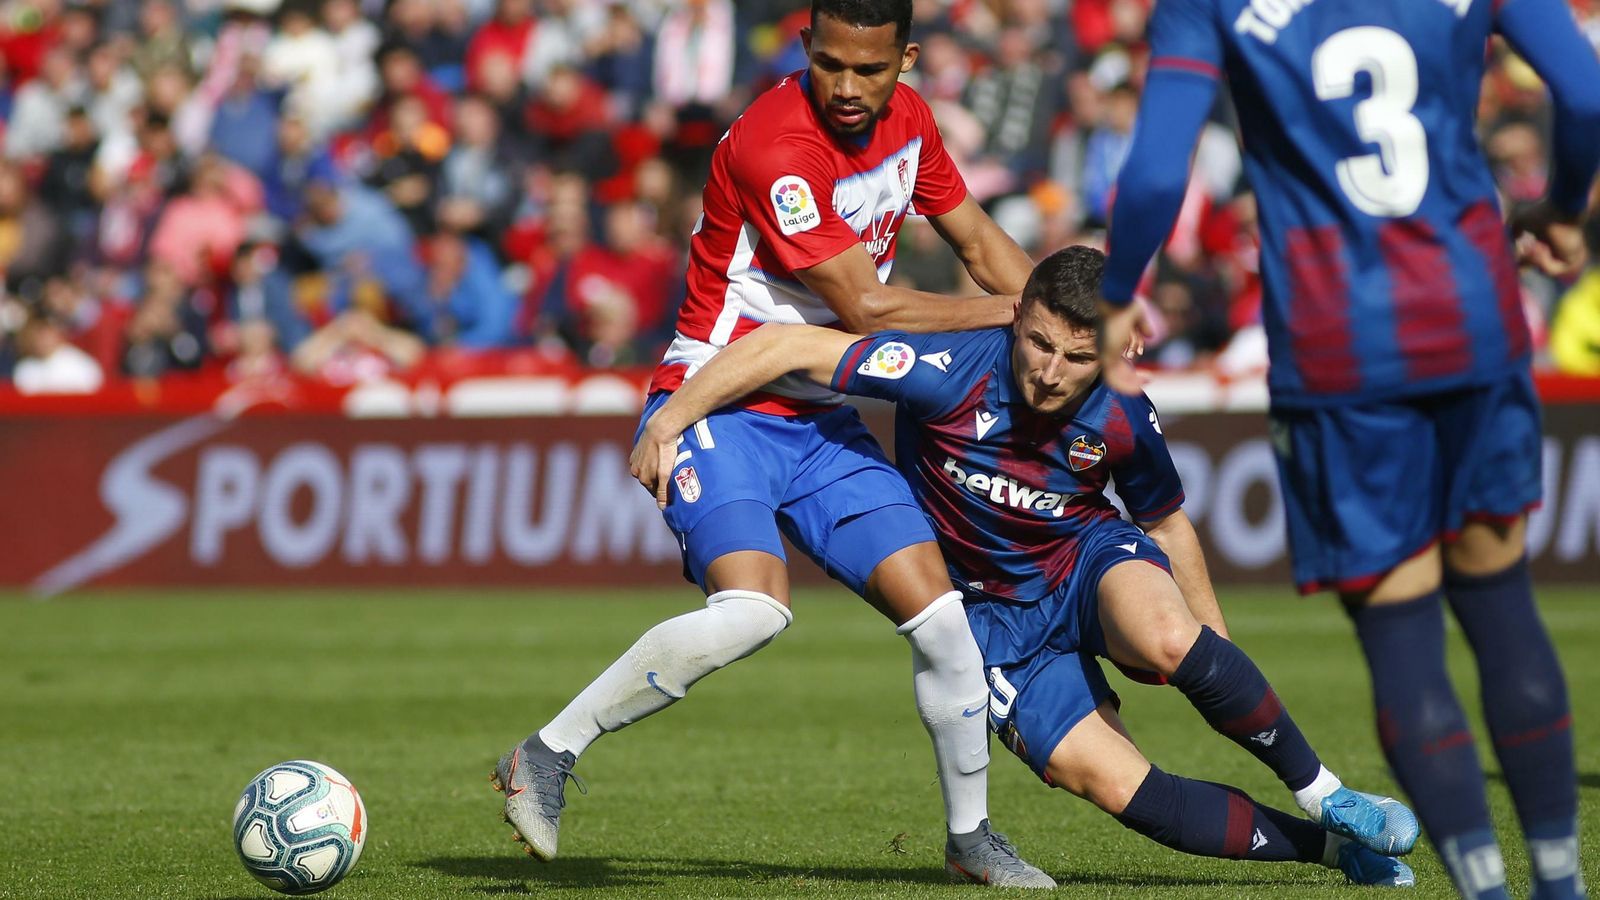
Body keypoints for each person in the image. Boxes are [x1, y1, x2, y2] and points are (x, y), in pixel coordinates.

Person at [630, 245, 1420, 887]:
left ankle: (1327, 795)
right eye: (1038, 342)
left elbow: (1169, 524)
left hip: (1084, 561)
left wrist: (1211, 649)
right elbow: (786, 344)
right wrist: (668, 420)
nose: (1049, 370)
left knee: (1166, 636)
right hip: (990, 621)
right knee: (1122, 790)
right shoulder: (942, 369)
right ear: (1019, 319)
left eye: (1076, 357)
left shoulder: (1121, 411)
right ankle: (1333, 853)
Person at [491, 0, 1054, 887]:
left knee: (946, 627)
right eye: (829, 63)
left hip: (821, 416)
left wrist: (1063, 315)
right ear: (806, 49)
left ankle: (969, 839)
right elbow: (868, 308)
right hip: (718, 401)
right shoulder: (773, 144)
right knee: (756, 611)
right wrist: (1037, 320)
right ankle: (547, 754)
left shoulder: (911, 121)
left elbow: (980, 241)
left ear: (904, 59)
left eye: (869, 69)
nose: (847, 87)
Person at [1092, 0, 1600, 897]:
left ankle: (1484, 887)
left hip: (1340, 352)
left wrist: (1124, 286)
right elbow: (1587, 92)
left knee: (1404, 642)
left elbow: (1154, 171)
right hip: (1473, 321)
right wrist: (1561, 208)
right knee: (1501, 608)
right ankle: (1559, 883)